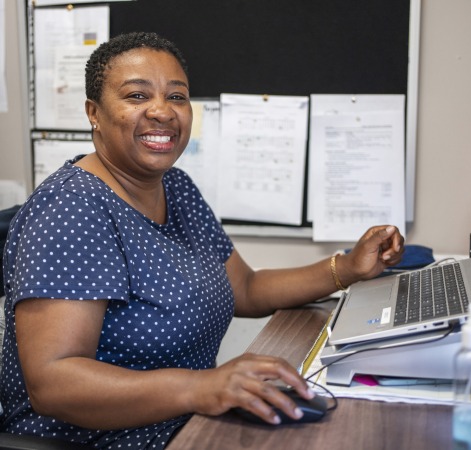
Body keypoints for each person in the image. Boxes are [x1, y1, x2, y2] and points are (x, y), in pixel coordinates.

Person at [0, 32, 404, 449]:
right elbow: (54, 382)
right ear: (94, 113)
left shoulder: (175, 187)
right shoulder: (72, 208)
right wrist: (203, 387)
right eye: (137, 96)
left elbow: (245, 288)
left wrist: (348, 268)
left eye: (177, 97)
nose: (162, 112)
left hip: (187, 426)